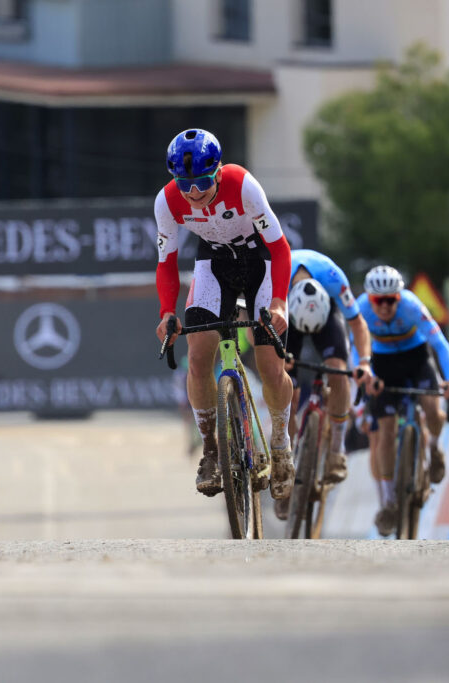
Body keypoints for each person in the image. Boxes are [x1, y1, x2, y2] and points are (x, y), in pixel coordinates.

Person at [153, 128, 294, 500]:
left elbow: (280, 248)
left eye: (201, 182)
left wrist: (279, 302)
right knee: (199, 356)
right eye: (184, 184)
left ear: (217, 172)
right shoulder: (167, 201)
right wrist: (167, 312)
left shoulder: (242, 184)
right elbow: (166, 263)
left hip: (260, 261)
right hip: (213, 264)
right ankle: (211, 452)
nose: (193, 193)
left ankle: (280, 443)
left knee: (269, 366)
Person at [358, 265, 449, 537]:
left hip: (416, 359)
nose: (385, 306)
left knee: (432, 409)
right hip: (383, 364)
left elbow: (440, 345)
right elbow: (356, 348)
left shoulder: (412, 306)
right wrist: (366, 376)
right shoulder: (361, 309)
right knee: (386, 430)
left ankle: (434, 448)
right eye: (379, 300)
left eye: (391, 300)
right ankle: (389, 501)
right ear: (370, 298)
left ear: (399, 297)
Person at [285, 249, 375, 483]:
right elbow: (254, 330)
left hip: (327, 317)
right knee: (286, 387)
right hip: (285, 316)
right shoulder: (274, 277)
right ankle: (284, 454)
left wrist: (364, 363)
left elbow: (358, 324)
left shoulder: (334, 278)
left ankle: (337, 448)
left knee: (338, 371)